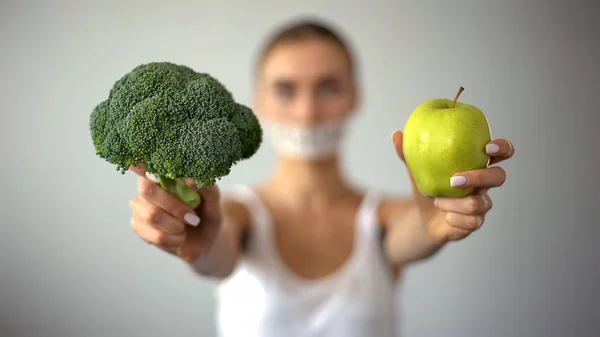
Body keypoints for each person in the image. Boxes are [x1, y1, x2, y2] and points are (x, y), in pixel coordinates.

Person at [128, 18, 515, 337]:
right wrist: (197, 245)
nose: (308, 111)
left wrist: (436, 223)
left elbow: (415, 232)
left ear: (354, 96)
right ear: (258, 100)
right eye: (285, 90)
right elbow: (216, 251)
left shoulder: (385, 218)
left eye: (328, 88)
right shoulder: (236, 215)